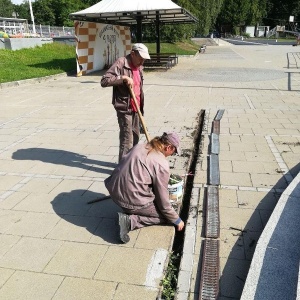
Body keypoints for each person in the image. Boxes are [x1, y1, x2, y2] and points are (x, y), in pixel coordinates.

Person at [104, 132, 185, 243]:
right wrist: (177, 219)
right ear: (169, 147)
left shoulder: (140, 146)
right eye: (174, 152)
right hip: (129, 199)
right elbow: (163, 203)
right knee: (166, 217)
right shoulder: (161, 164)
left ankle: (131, 210)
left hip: (114, 190)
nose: (172, 154)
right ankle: (130, 221)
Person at [100, 43, 150, 162]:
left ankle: (131, 163)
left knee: (136, 137)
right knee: (127, 139)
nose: (142, 62)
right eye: (141, 58)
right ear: (133, 54)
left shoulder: (139, 66)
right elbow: (104, 81)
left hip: (137, 108)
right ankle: (122, 169)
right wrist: (122, 78)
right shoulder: (121, 63)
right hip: (124, 107)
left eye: (144, 59)